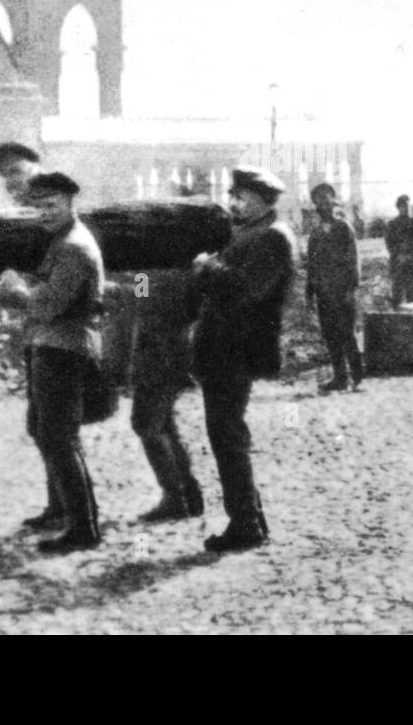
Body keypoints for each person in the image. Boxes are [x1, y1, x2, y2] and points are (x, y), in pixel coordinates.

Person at [0, 172, 106, 554]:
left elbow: (49, 303)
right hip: (49, 344)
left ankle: (84, 527)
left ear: (70, 202)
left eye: (51, 205)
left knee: (59, 436)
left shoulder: (74, 247)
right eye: (38, 206)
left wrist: (14, 290)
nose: (43, 213)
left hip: (64, 348)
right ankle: (61, 509)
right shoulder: (60, 241)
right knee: (45, 430)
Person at [192, 166, 296, 554]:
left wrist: (208, 267)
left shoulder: (272, 237)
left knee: (227, 435)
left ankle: (245, 524)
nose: (233, 203)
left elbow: (245, 289)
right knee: (226, 433)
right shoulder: (252, 232)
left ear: (265, 201)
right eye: (231, 195)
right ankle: (250, 517)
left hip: (236, 348)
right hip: (225, 346)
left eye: (242, 197)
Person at [129, 265, 204, 522]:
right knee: (164, 425)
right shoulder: (181, 266)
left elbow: (142, 304)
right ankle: (188, 494)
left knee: (145, 423)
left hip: (159, 355)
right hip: (171, 352)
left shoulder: (154, 270)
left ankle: (175, 497)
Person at [306, 183, 364, 394]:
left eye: (326, 199)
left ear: (333, 201)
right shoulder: (315, 233)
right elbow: (311, 265)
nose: (323, 204)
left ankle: (357, 377)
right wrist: (309, 293)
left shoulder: (344, 227)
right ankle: (340, 377)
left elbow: (353, 258)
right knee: (330, 335)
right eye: (318, 200)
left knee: (347, 333)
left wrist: (352, 288)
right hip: (324, 292)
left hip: (342, 290)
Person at [383, 194, 413, 307]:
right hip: (397, 262)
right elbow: (389, 243)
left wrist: (411, 254)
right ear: (398, 207)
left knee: (411, 292)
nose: (405, 208)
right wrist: (398, 255)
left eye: (407, 206)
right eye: (402, 206)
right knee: (397, 292)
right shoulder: (392, 224)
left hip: (411, 262)